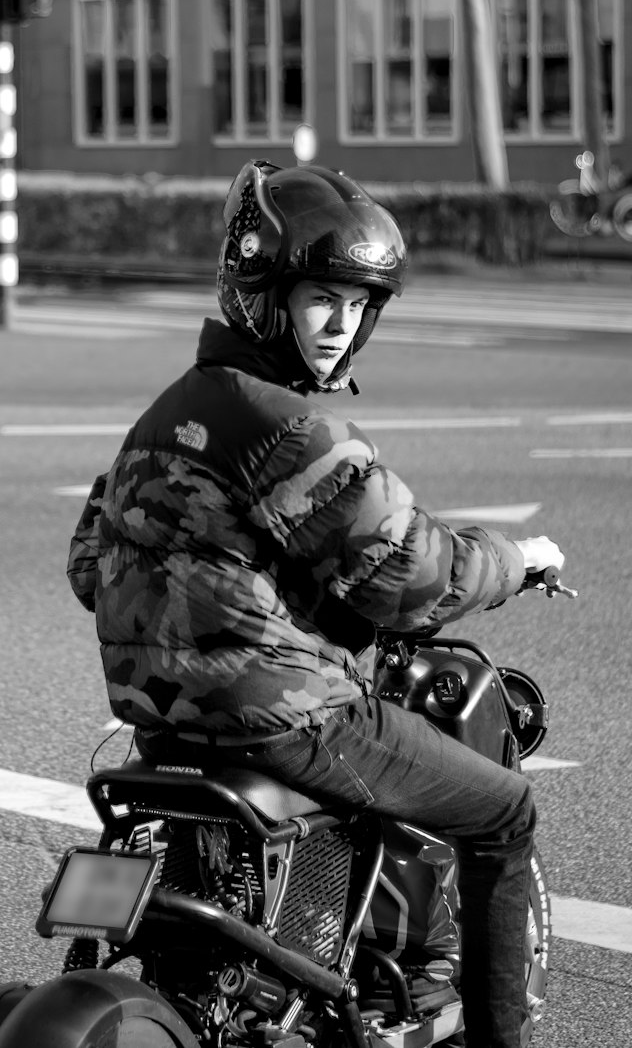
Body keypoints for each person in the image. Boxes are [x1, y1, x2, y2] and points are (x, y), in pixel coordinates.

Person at [67, 159, 564, 1048]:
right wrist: (518, 560)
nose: (340, 325)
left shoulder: (163, 414)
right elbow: (410, 577)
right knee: (503, 814)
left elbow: (87, 566)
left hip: (161, 726)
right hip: (290, 722)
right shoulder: (294, 426)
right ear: (264, 294)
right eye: (320, 299)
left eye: (358, 303)